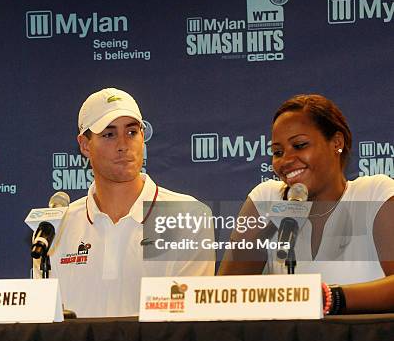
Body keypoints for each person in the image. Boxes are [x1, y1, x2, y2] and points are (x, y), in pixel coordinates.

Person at [35, 88, 215, 317]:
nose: (123, 144)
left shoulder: (187, 216)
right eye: (109, 134)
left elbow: (187, 324)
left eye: (131, 132)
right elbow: (46, 326)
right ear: (85, 145)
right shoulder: (54, 228)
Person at [218, 94, 394, 314]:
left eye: (300, 145)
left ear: (336, 143)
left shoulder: (373, 193)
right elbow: (222, 297)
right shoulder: (267, 200)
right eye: (277, 152)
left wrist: (328, 298)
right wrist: (263, 232)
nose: (286, 160)